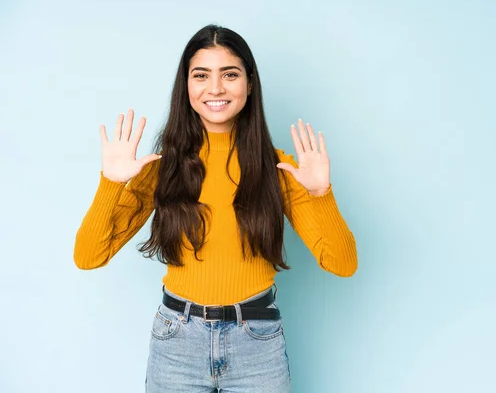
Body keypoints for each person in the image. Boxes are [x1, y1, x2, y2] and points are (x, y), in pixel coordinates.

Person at [73, 24, 358, 392]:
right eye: (201, 75)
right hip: (177, 341)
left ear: (250, 83)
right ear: (186, 85)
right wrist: (111, 183)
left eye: (230, 74)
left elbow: (343, 263)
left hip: (257, 342)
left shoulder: (279, 169)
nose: (216, 88)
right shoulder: (162, 168)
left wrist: (321, 194)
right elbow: (88, 256)